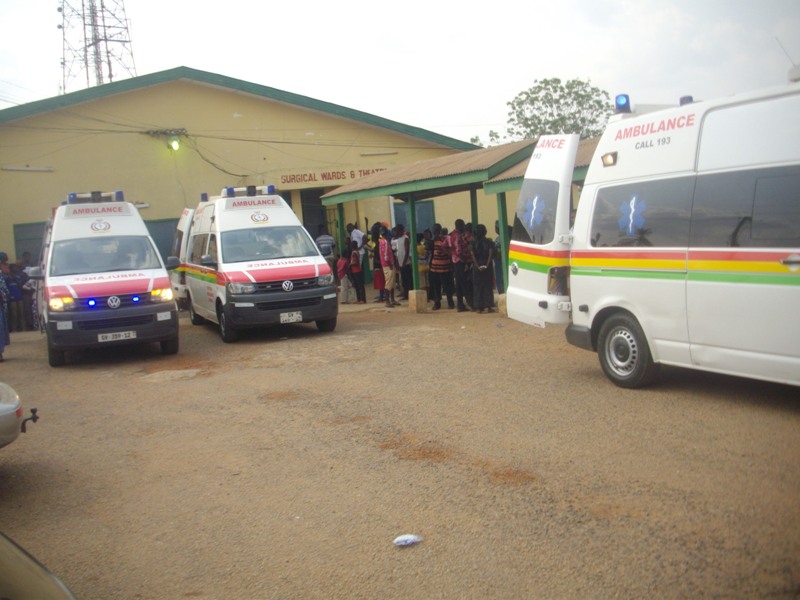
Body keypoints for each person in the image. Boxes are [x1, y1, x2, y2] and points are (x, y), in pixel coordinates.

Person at [444, 219, 473, 312]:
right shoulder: (457, 236)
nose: (464, 227)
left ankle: (460, 305)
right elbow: (459, 251)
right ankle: (472, 304)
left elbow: (443, 246)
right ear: (459, 225)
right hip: (462, 262)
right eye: (463, 225)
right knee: (465, 284)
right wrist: (465, 262)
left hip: (455, 262)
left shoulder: (450, 235)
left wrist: (451, 254)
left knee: (459, 285)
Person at [469, 224, 495, 313]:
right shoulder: (489, 242)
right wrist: (487, 265)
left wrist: (477, 266)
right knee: (488, 286)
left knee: (477, 287)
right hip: (487, 267)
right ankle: (489, 306)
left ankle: (479, 307)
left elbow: (473, 255)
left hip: (477, 268)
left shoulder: (472, 243)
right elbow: (491, 254)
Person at [428, 224, 453, 310]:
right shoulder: (446, 239)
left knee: (436, 286)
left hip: (435, 267)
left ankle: (437, 303)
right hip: (446, 265)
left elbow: (428, 249)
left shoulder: (434, 241)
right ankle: (450, 303)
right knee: (447, 286)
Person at [378, 226, 399, 308]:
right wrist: (391, 265)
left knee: (392, 283)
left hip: (385, 264)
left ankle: (392, 300)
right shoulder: (386, 242)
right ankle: (387, 300)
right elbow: (386, 256)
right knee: (389, 283)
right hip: (388, 265)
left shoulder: (381, 241)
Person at [394, 224, 412, 300]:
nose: (396, 232)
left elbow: (407, 251)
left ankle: (410, 295)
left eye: (398, 230)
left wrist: (404, 262)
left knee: (408, 280)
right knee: (404, 281)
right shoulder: (398, 240)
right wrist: (398, 262)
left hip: (406, 263)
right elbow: (399, 251)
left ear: (401, 230)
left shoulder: (406, 238)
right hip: (401, 263)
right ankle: (405, 295)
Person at [349, 240, 366, 304]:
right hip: (357, 270)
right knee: (359, 285)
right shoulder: (357, 252)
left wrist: (350, 264)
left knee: (359, 286)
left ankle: (361, 299)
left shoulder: (354, 253)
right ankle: (360, 299)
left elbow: (355, 262)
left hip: (356, 271)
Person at [416, 230, 432, 301]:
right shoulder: (424, 247)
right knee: (427, 283)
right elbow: (427, 255)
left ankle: (424, 298)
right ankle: (428, 297)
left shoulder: (415, 248)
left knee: (422, 284)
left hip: (420, 267)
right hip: (426, 265)